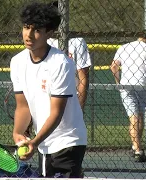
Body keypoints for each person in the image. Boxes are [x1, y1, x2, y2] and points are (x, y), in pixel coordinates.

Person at [10, 2, 87, 178]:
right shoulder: (17, 62)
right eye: (26, 27)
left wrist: (35, 142)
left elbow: (57, 112)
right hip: (44, 144)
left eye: (36, 30)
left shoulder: (61, 64)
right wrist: (17, 132)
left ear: (49, 33)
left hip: (69, 141)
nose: (29, 35)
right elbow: (23, 106)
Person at [110, 34, 146, 163]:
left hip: (126, 85)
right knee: (138, 117)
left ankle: (135, 147)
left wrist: (118, 82)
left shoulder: (124, 47)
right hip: (142, 85)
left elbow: (113, 66)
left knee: (135, 117)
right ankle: (138, 150)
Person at [47, 2, 91, 110]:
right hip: (47, 98)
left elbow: (83, 79)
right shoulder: (44, 41)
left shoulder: (77, 42)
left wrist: (79, 108)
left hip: (71, 99)